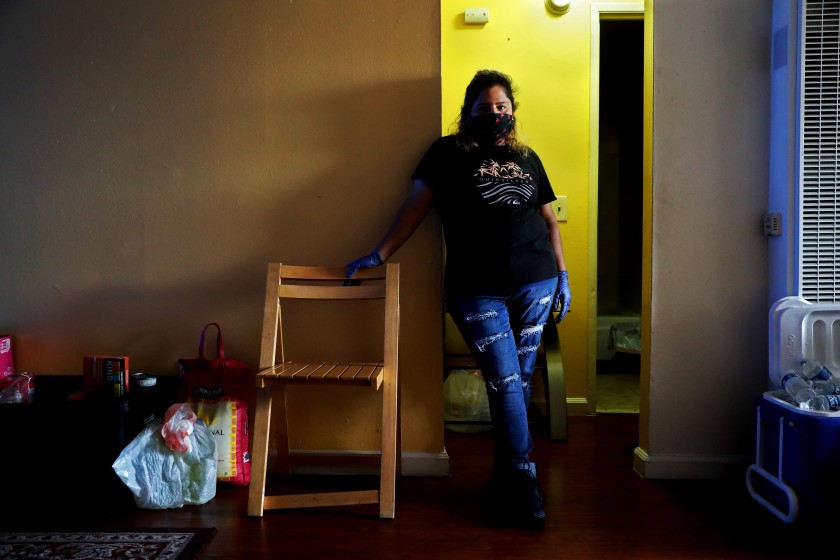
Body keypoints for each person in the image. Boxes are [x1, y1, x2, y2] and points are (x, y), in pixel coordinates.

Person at [345, 69, 571, 527]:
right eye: (484, 108)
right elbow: (414, 208)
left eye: (502, 107)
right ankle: (522, 477)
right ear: (467, 112)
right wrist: (378, 253)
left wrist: (563, 275)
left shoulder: (526, 157)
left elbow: (549, 219)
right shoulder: (447, 153)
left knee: (520, 380)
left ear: (513, 111)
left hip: (537, 282)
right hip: (475, 287)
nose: (494, 114)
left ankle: (509, 473)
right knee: (506, 382)